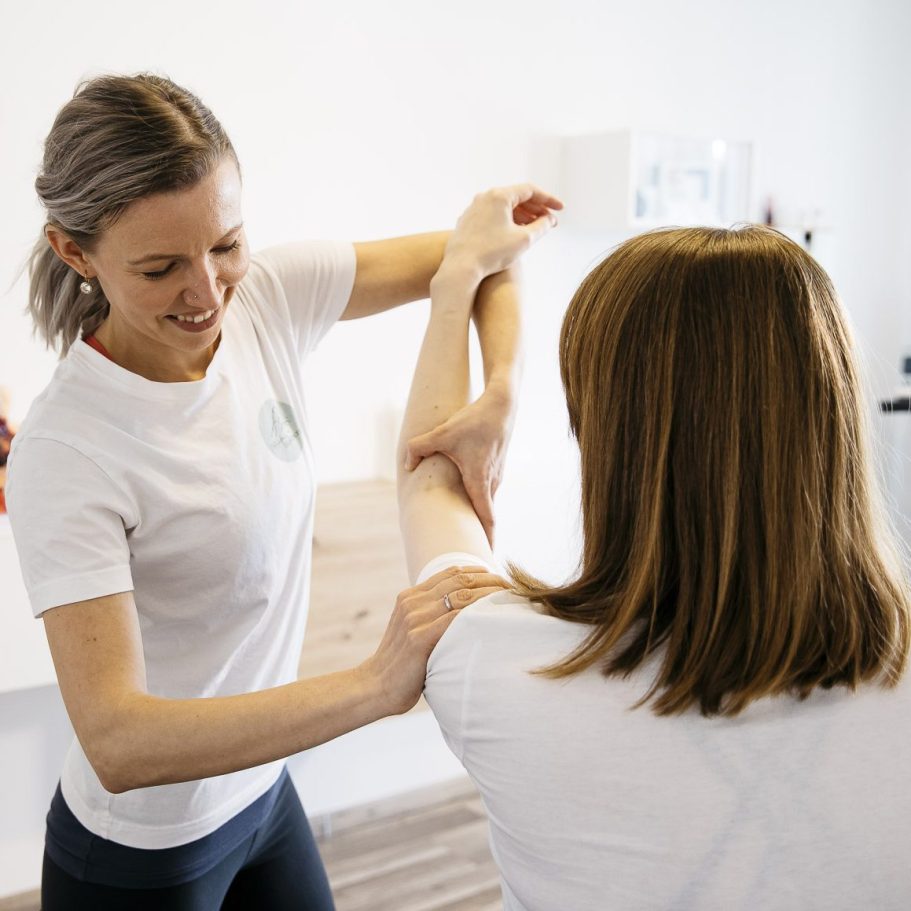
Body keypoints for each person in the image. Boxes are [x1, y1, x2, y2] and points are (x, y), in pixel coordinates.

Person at [5, 73, 560, 910]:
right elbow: (118, 738)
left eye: (225, 244)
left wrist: (501, 397)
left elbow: (488, 249)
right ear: (74, 252)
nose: (207, 292)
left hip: (261, 797)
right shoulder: (68, 447)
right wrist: (375, 684)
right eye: (160, 268)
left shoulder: (265, 297)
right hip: (140, 848)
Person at [398, 205, 911, 910]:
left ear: (599, 430)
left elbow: (428, 478)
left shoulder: (494, 661)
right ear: (834, 419)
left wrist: (463, 282)